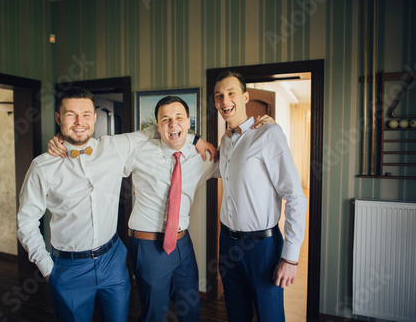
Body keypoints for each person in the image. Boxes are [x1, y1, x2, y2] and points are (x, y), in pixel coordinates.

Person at [17, 87, 210, 322]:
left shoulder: (114, 147)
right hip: (69, 267)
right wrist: (47, 268)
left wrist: (195, 138)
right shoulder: (42, 166)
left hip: (113, 261)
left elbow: (160, 129)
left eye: (86, 114)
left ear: (95, 117)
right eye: (71, 115)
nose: (79, 122)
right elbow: (26, 221)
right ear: (58, 118)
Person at [213, 70, 308, 322]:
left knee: (270, 316)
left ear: (245, 97)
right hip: (228, 243)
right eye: (219, 96)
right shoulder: (225, 140)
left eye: (231, 93)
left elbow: (296, 196)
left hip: (262, 247)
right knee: (236, 314)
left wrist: (290, 257)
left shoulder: (269, 134)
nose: (225, 100)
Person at [124, 96, 219, 322]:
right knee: (154, 314)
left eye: (179, 118)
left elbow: (236, 160)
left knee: (190, 310)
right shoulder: (138, 151)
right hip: (149, 245)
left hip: (183, 244)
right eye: (165, 119)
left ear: (189, 122)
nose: (173, 124)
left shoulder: (201, 155)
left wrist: (261, 130)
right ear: (157, 126)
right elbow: (102, 156)